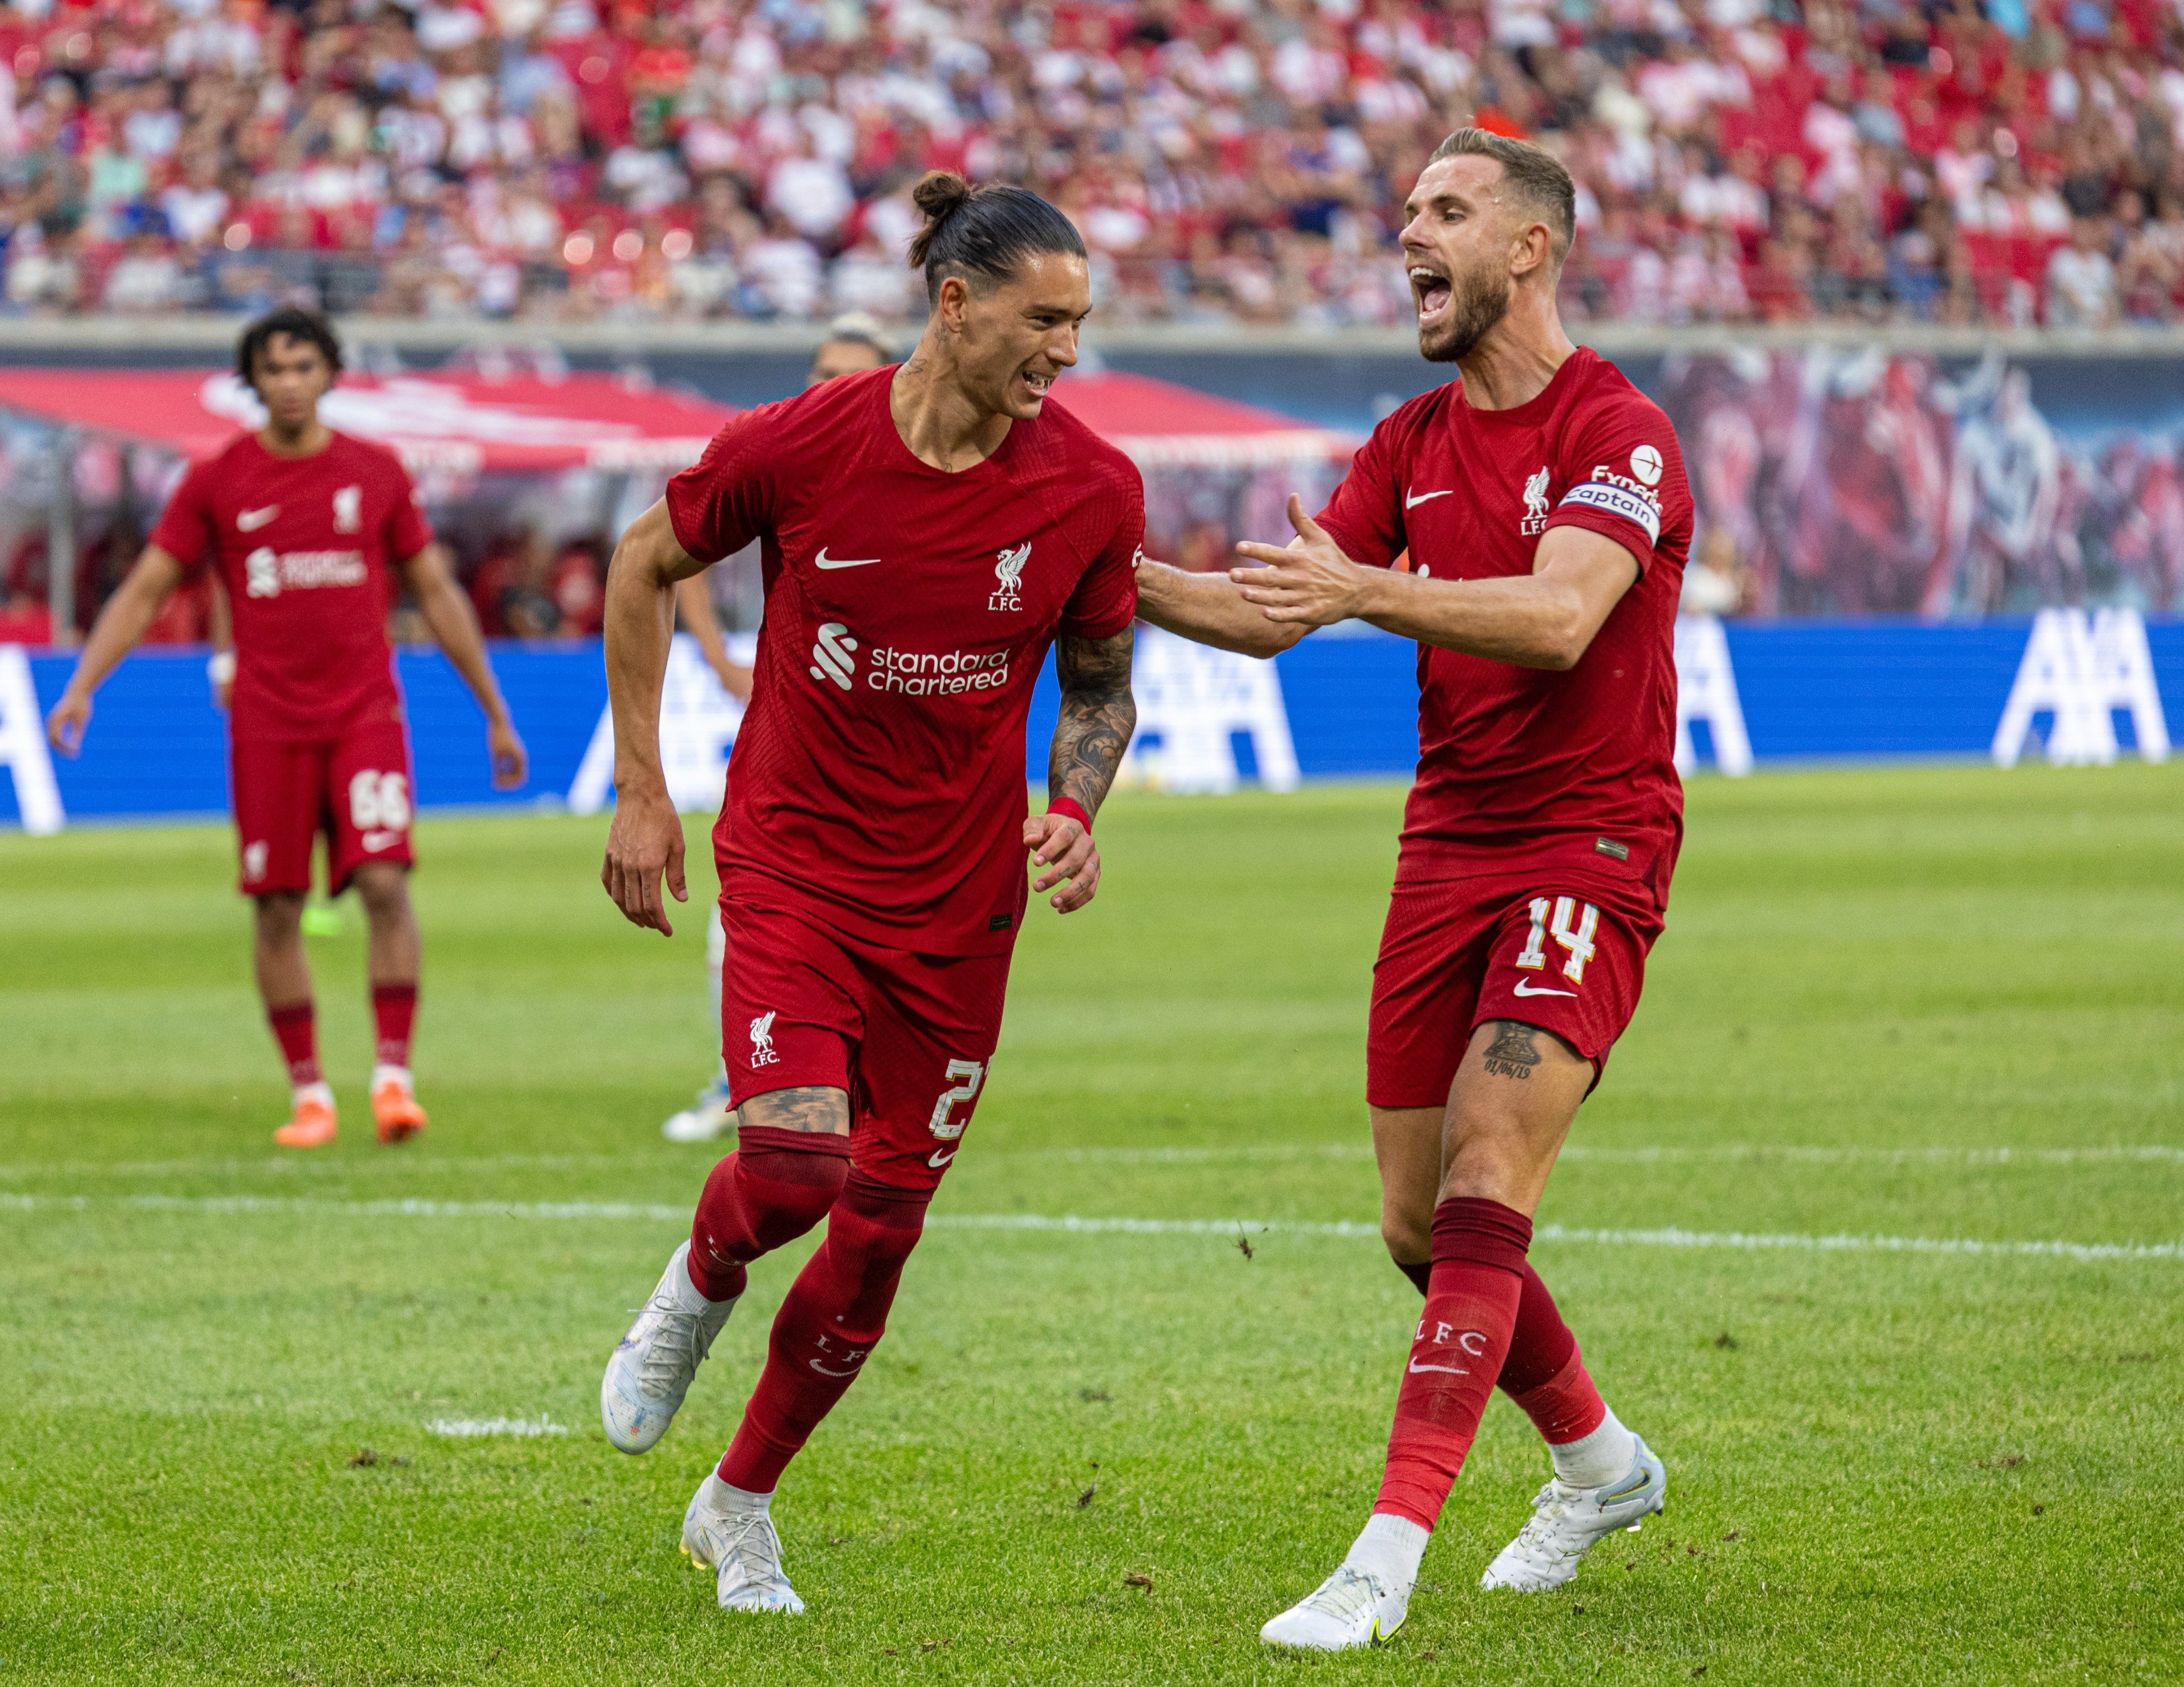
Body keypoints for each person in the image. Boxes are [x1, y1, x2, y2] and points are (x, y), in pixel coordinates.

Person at [1135, 128, 1694, 1650]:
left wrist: (1366, 591)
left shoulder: (1619, 429)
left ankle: (1384, 1555)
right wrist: (1091, 561)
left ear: (1531, 247)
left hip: (1591, 834)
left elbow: (1568, 615)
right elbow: (1269, 614)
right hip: (1449, 840)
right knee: (1410, 1221)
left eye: (1445, 213)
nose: (1410, 239)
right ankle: (1598, 1460)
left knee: (1483, 1176)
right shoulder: (1408, 442)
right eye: (1405, 218)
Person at [594, 172, 1142, 1614]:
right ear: (951, 302)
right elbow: (641, 562)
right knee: (793, 1172)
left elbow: (1100, 683)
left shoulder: (1093, 486)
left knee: (884, 1227)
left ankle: (740, 1504)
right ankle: (696, 1285)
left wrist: (1076, 802)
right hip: (794, 863)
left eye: (1079, 325)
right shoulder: (800, 446)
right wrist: (643, 786)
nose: (1064, 355)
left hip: (960, 908)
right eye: (1043, 320)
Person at [45, 307, 526, 1148]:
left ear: (331, 374)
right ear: (254, 383)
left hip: (364, 714)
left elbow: (438, 593)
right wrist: (84, 684)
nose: (291, 382)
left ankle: (392, 1080)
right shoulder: (218, 479)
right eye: (275, 369)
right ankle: (309, 1094)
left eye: (305, 366)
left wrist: (494, 708)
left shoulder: (374, 473)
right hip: (267, 723)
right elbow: (149, 588)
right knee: (275, 905)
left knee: (384, 884)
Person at [660, 314, 896, 1144]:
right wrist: (720, 657)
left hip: (897, 750)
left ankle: (872, 1092)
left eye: (850, 372)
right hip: (792, 741)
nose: (828, 384)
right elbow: (672, 550)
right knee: (746, 919)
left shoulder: (917, 472)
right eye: (820, 369)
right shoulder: (788, 454)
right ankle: (740, 1076)